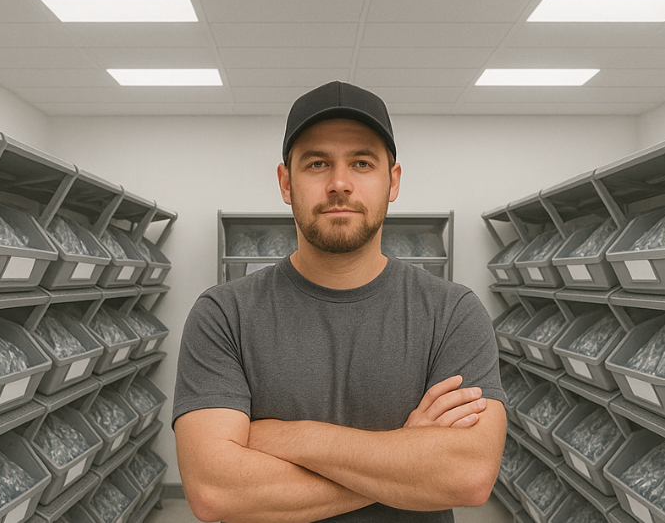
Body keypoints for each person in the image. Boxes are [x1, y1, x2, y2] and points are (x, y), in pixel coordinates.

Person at [172, 81, 506, 523]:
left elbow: (467, 475)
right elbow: (215, 491)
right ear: (285, 182)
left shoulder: (452, 313)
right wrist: (405, 457)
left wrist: (290, 438)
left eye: (362, 162)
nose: (340, 183)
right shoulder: (223, 315)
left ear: (394, 181)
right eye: (317, 163)